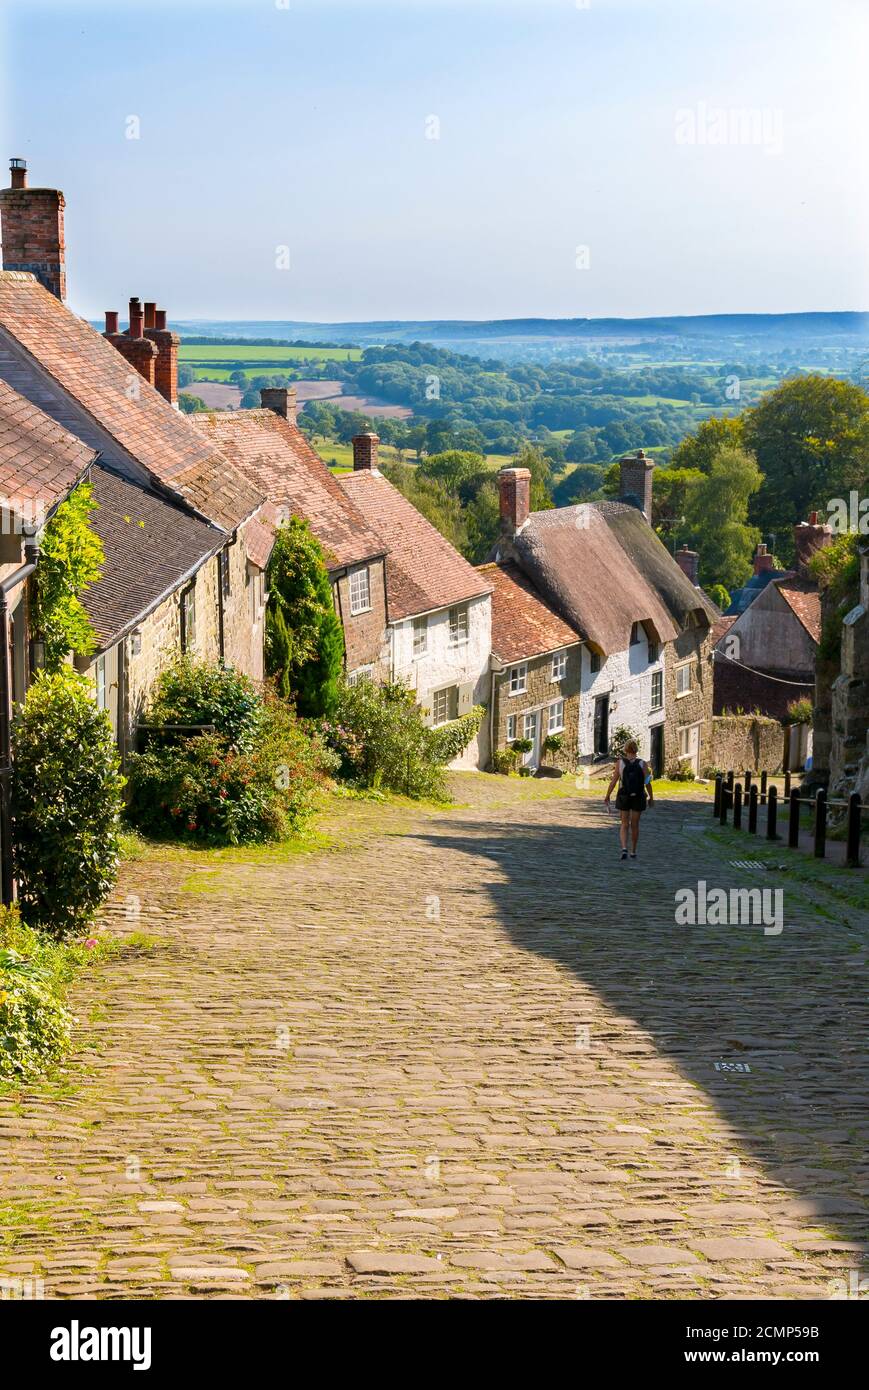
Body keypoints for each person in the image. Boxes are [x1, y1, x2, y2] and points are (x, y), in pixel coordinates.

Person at [604, 740, 653, 860]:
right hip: (638, 796)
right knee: (635, 825)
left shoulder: (620, 763)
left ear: (625, 750)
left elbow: (614, 782)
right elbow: (647, 782)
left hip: (624, 796)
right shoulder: (642, 763)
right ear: (636, 750)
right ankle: (633, 851)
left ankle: (624, 848)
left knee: (624, 824)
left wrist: (607, 795)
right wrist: (651, 797)